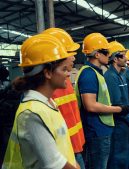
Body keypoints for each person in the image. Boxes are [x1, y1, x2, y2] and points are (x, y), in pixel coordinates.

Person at [2, 34, 79, 169]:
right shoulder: (32, 113)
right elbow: (55, 164)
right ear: (48, 73)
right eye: (64, 69)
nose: (68, 74)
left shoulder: (48, 103)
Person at [75, 33, 129, 169]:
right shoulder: (89, 74)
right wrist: (119, 109)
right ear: (96, 54)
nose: (109, 56)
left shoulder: (96, 73)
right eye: (106, 52)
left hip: (101, 129)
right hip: (96, 131)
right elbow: (90, 105)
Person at [42, 28, 86, 169]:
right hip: (63, 154)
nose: (74, 57)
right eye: (69, 53)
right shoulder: (45, 89)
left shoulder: (64, 81)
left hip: (75, 147)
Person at [104, 41, 129, 169]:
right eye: (123, 55)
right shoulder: (110, 77)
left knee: (124, 154)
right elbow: (117, 103)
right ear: (115, 58)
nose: (126, 58)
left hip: (126, 120)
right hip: (119, 122)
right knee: (117, 156)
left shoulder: (121, 75)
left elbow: (126, 100)